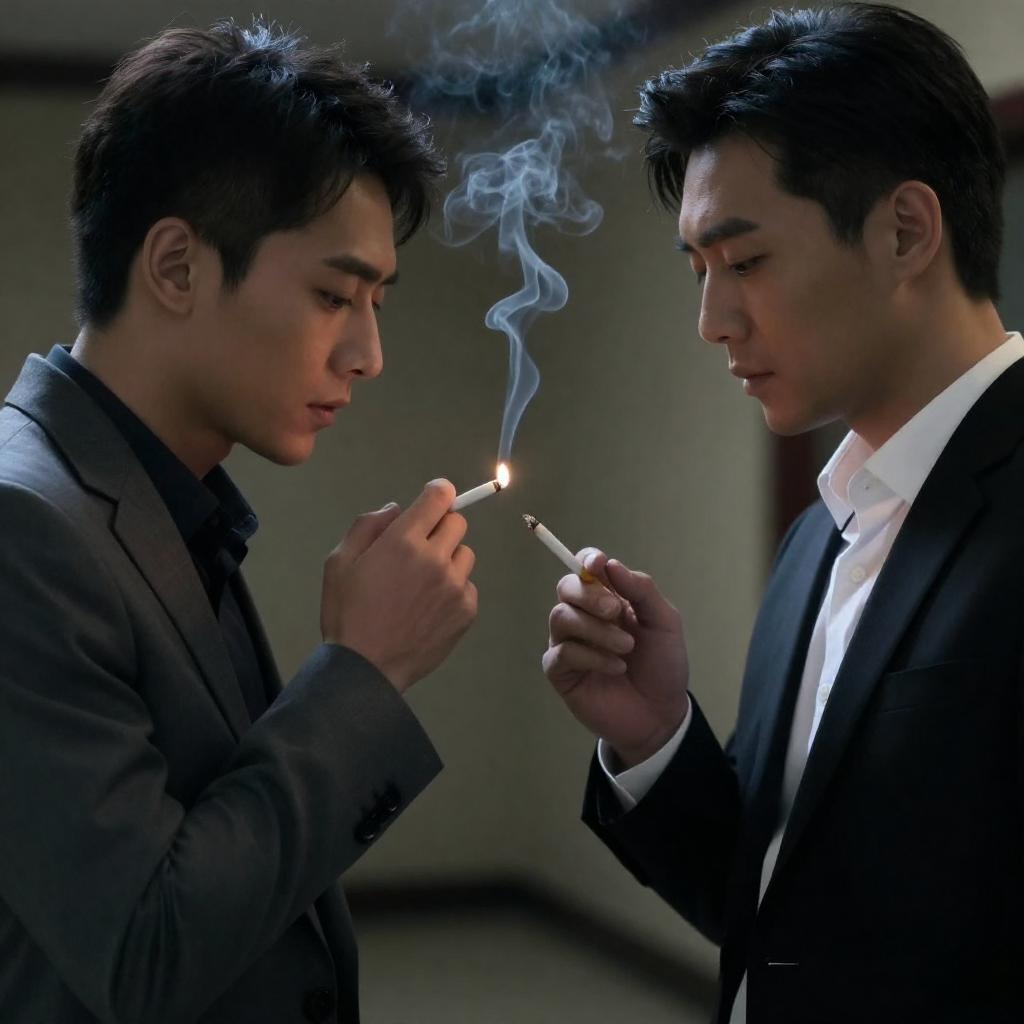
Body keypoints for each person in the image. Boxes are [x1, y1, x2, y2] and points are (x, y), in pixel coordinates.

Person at [541, 4, 1021, 1022]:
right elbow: (779, 910)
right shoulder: (819, 534)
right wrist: (656, 737)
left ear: (905, 231)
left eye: (746, 261)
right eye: (698, 271)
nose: (712, 322)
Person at [0, 20, 478, 1024]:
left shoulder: (155, 495)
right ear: (176, 267)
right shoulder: (23, 526)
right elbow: (143, 950)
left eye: (377, 302)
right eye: (334, 294)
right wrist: (365, 670)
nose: (368, 354)